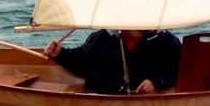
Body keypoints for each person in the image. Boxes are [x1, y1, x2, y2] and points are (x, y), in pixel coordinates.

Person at [44, 29, 181, 94]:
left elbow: (179, 70)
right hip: (98, 100)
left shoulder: (166, 41)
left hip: (141, 104)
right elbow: (82, 64)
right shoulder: (103, 37)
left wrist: (157, 82)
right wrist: (60, 54)